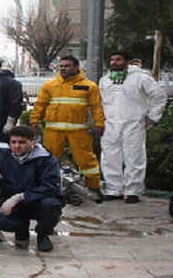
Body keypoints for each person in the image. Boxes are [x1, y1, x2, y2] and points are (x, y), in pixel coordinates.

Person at [0, 125, 62, 252]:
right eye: (13, 142)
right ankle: (21, 230)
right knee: (2, 221)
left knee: (51, 206)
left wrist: (19, 197)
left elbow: (51, 187)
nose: (16, 146)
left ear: (33, 142)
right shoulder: (4, 154)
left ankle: (43, 234)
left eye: (22, 142)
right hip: (11, 200)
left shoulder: (47, 160)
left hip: (38, 200)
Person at [30, 55, 106, 202]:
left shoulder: (89, 86)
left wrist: (99, 125)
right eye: (62, 66)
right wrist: (34, 120)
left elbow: (96, 106)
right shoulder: (50, 85)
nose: (63, 68)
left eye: (67, 66)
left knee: (86, 159)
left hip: (78, 130)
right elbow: (40, 104)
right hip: (54, 130)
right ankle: (44, 186)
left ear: (76, 67)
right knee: (47, 159)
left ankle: (93, 187)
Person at [98, 50, 166, 203]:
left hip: (133, 124)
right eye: (112, 59)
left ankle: (133, 191)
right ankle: (114, 189)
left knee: (134, 157)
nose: (114, 62)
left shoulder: (141, 78)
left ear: (127, 62)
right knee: (110, 157)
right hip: (110, 124)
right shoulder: (105, 80)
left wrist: (152, 117)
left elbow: (159, 96)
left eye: (118, 59)